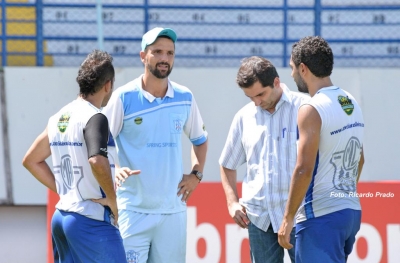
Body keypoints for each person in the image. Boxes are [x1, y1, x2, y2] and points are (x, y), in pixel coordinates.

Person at [103, 27, 208, 263]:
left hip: (173, 211)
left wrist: (196, 174)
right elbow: (100, 142)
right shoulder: (123, 97)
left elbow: (200, 140)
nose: (164, 58)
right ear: (143, 56)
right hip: (132, 209)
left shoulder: (185, 97)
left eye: (170, 53)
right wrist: (115, 167)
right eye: (157, 52)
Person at [22, 50, 130, 263]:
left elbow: (31, 160)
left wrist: (67, 192)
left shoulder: (58, 117)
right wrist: (113, 200)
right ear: (108, 85)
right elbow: (96, 160)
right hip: (90, 221)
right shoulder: (95, 116)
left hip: (61, 218)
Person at [278, 36, 365, 262]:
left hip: (321, 217)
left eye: (292, 68)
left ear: (303, 68)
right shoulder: (350, 100)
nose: (291, 74)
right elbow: (360, 159)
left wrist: (287, 218)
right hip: (350, 212)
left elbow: (303, 169)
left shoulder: (311, 108)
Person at [219, 56, 309, 263]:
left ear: (276, 82)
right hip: (259, 218)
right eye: (250, 97)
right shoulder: (243, 117)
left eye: (261, 94)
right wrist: (232, 203)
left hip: (301, 217)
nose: (257, 102)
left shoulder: (306, 108)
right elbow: (227, 164)